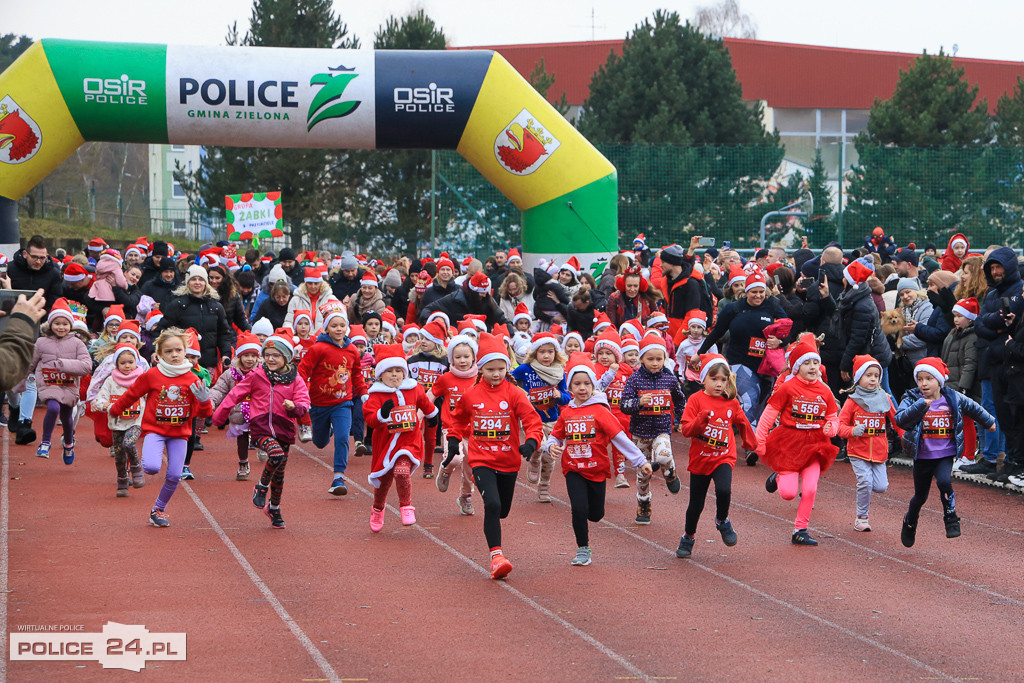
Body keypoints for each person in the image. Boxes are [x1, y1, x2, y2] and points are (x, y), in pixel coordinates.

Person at [449, 332, 544, 580]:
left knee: (502, 511)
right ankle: (497, 557)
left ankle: (495, 530)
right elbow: (457, 420)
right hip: (481, 459)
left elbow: (532, 420)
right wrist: (453, 440)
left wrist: (531, 442)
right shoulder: (471, 395)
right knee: (492, 505)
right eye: (490, 369)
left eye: (501, 369)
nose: (496, 374)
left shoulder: (515, 393)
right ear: (480, 368)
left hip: (509, 461)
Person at [544, 354, 652, 566]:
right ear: (570, 387)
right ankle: (582, 549)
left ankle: (589, 523)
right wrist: (551, 446)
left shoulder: (600, 411)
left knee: (595, 514)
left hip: (597, 469)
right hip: (573, 468)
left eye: (586, 383)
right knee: (578, 508)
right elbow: (555, 436)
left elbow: (619, 438)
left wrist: (640, 461)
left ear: (593, 385)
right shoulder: (567, 413)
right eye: (577, 384)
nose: (582, 388)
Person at [108, 327, 214, 528]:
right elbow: (132, 394)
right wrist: (115, 410)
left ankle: (158, 509)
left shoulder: (193, 379)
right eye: (169, 351)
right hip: (155, 430)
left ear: (185, 352)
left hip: (180, 434)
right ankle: (137, 465)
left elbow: (204, 414)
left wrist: (204, 400)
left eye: (178, 350)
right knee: (152, 467)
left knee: (174, 475)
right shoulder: (152, 375)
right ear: (159, 354)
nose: (174, 355)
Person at [213, 329, 310, 529]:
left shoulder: (295, 378)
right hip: (260, 427)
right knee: (275, 455)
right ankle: (261, 486)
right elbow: (235, 394)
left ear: (287, 357)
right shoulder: (257, 375)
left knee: (280, 474)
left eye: (276, 355)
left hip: (284, 429)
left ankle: (274, 508)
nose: (270, 359)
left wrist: (295, 407)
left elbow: (304, 401)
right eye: (267, 355)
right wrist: (219, 415)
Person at [895, 357, 995, 547]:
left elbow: (973, 408)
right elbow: (900, 419)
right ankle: (910, 520)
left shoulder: (952, 398)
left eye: (929, 379)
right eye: (920, 379)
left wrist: (989, 422)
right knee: (920, 497)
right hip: (923, 455)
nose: (924, 384)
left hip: (945, 454)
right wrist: (920, 406)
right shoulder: (911, 399)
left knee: (944, 481)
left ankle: (951, 518)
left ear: (939, 381)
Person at [754, 341, 839, 546]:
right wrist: (760, 442)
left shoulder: (825, 391)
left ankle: (800, 530)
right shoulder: (788, 387)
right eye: (806, 363)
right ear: (797, 367)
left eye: (815, 363)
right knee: (788, 493)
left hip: (815, 444)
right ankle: (779, 476)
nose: (812, 367)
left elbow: (833, 417)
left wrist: (832, 428)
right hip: (789, 443)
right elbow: (769, 415)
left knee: (810, 489)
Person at [676, 354, 756, 558]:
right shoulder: (695, 400)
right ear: (703, 379)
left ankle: (722, 520)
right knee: (696, 505)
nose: (719, 384)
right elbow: (686, 430)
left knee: (724, 490)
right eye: (714, 379)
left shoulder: (731, 402)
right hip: (701, 458)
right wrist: (700, 420)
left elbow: (743, 423)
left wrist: (752, 444)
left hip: (723, 456)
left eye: (723, 379)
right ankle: (688, 536)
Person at [362, 343, 439, 532]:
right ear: (380, 374)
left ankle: (406, 507)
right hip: (385, 445)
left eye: (398, 370)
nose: (394, 375)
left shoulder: (413, 388)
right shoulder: (375, 395)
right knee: (384, 481)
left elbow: (424, 402)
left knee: (402, 471)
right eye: (389, 371)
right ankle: (377, 509)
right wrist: (382, 413)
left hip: (409, 441)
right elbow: (370, 420)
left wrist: (432, 415)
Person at [699, 271, 787, 435]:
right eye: (754, 292)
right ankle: (746, 441)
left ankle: (749, 436)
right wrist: (700, 353)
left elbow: (788, 329)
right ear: (747, 292)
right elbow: (717, 332)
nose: (758, 296)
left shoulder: (772, 306)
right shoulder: (734, 308)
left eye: (761, 292)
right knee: (749, 399)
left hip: (765, 366)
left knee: (760, 404)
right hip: (739, 362)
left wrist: (780, 341)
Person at [962, 247, 1021, 477]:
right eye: (992, 267)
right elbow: (980, 324)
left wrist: (991, 322)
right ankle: (999, 460)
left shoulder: (1018, 290)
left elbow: (1008, 321)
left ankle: (1010, 462)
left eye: (999, 267)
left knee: (1012, 416)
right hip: (993, 361)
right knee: (996, 412)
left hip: (1013, 361)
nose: (995, 272)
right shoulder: (992, 294)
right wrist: (995, 324)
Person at [297, 306, 367, 495]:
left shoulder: (352, 350)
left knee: (343, 437)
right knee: (320, 442)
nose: (338, 329)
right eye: (334, 326)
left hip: (343, 403)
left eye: (342, 325)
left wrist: (363, 392)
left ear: (347, 328)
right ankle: (327, 430)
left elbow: (357, 374)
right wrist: (300, 392)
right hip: (319, 404)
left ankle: (338, 478)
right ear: (326, 328)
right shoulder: (318, 348)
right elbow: (302, 370)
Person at [619, 335, 686, 525]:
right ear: (641, 358)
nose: (655, 363)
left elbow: (680, 400)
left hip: (661, 429)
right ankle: (644, 503)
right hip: (640, 432)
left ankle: (670, 472)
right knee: (643, 474)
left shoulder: (669, 379)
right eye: (650, 359)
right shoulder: (634, 380)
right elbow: (624, 405)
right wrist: (638, 402)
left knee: (664, 456)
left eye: (659, 359)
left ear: (665, 358)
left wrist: (681, 419)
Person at [837, 356, 900, 532]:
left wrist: (907, 437)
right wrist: (852, 431)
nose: (873, 379)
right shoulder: (852, 401)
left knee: (880, 487)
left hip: (879, 451)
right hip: (857, 450)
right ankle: (861, 518)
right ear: (858, 378)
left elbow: (898, 421)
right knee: (865, 481)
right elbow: (839, 426)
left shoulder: (886, 398)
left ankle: (865, 505)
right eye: (868, 375)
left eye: (876, 376)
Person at [28, 298, 92, 463]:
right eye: (57, 323)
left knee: (67, 417)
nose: (61, 327)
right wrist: (20, 378)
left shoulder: (77, 343)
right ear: (50, 325)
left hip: (69, 385)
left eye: (65, 324)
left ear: (71, 325)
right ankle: (45, 443)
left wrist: (64, 365)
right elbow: (30, 363)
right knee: (53, 407)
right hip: (48, 383)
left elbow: (87, 366)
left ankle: (69, 443)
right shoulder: (41, 342)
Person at [511, 332, 570, 502]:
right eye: (542, 351)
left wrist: (559, 395)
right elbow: (509, 381)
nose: (546, 355)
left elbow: (567, 397)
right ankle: (534, 460)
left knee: (550, 456)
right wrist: (522, 394)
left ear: (556, 353)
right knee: (540, 446)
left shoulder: (559, 372)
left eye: (550, 352)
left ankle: (544, 486)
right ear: (535, 353)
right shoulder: (525, 369)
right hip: (531, 418)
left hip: (552, 420)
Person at [430, 334, 479, 515]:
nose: (462, 361)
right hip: (451, 427)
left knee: (470, 467)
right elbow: (431, 394)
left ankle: (465, 497)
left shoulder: (480, 378)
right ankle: (446, 469)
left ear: (473, 357)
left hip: (474, 431)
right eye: (458, 357)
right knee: (455, 458)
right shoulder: (446, 378)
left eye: (466, 356)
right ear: (451, 358)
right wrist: (420, 414)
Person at [90, 344, 147, 496]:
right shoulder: (110, 380)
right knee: (119, 455)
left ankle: (136, 468)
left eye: (130, 362)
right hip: (116, 423)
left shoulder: (142, 379)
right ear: (116, 364)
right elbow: (101, 398)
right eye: (123, 363)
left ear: (136, 362)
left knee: (128, 443)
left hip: (135, 422)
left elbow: (150, 396)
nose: (127, 366)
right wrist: (104, 405)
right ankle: (122, 480)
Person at [155, 265, 234, 371]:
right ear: (188, 282)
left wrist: (226, 354)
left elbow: (224, 334)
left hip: (209, 363)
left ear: (206, 283)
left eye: (201, 279)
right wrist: (154, 351)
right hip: (183, 363)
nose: (197, 282)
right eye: (193, 279)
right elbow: (161, 331)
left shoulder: (216, 307)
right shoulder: (176, 305)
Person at [209, 333, 262, 481]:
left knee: (262, 434)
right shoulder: (230, 374)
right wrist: (212, 401)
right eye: (246, 355)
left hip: (259, 410)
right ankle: (243, 463)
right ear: (239, 357)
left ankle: (262, 447)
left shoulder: (263, 372)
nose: (250, 359)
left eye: (253, 356)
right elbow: (219, 389)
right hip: (239, 413)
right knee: (242, 438)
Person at [406, 319, 449, 478]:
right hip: (416, 402)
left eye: (428, 338)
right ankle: (411, 460)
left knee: (431, 437)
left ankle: (428, 464)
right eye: (422, 338)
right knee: (414, 430)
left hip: (435, 403)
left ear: (437, 341)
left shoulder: (445, 361)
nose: (423, 341)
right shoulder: (412, 360)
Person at [419, 272, 509, 330]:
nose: (483, 296)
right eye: (481, 293)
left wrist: (511, 333)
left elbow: (501, 319)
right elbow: (427, 310)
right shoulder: (454, 298)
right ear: (473, 292)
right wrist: (435, 324)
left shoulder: (487, 299)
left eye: (485, 293)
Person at [7, 236, 65, 308]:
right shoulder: (9, 269)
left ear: (46, 256)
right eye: (34, 257)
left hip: (42, 313)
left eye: (42, 258)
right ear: (25, 254)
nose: (38, 261)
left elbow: (54, 302)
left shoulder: (53, 273)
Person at [208, 265, 251, 333]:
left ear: (224, 279)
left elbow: (241, 321)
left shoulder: (233, 296)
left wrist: (253, 333)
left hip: (227, 335)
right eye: (211, 278)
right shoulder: (203, 296)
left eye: (217, 278)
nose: (214, 281)